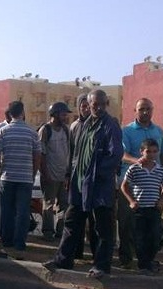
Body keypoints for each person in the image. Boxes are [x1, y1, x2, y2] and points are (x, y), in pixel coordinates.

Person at [43, 90, 124, 278]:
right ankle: (62, 260)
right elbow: (77, 154)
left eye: (102, 104)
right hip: (80, 185)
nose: (99, 108)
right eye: (95, 104)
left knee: (102, 228)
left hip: (99, 187)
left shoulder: (110, 125)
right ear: (88, 104)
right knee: (71, 223)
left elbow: (115, 155)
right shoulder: (85, 125)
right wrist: (72, 176)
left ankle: (102, 267)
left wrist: (96, 174)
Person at [118, 98, 163, 268]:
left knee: (153, 226)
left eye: (148, 109)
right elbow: (122, 154)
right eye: (142, 109)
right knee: (127, 223)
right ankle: (126, 258)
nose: (145, 112)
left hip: (153, 187)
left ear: (152, 110)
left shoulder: (158, 131)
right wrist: (137, 161)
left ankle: (147, 259)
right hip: (131, 185)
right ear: (135, 110)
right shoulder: (127, 131)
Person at [0, 101, 41, 257]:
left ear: (10, 114)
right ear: (22, 112)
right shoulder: (32, 132)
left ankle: (7, 241)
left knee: (7, 210)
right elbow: (38, 155)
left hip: (7, 176)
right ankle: (20, 243)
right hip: (25, 178)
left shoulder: (3, 131)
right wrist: (32, 173)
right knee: (22, 211)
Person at [120, 138, 163, 274]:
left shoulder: (160, 170)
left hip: (154, 209)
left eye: (154, 151)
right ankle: (144, 265)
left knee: (154, 236)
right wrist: (131, 201)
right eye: (148, 151)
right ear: (141, 151)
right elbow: (124, 186)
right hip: (139, 209)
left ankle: (149, 260)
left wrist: (161, 201)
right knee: (140, 238)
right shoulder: (134, 169)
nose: (151, 154)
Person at [38, 102, 72, 241]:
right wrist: (45, 174)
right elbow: (41, 154)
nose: (65, 117)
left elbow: (69, 152)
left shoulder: (65, 130)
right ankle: (47, 232)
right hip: (49, 174)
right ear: (55, 114)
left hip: (62, 174)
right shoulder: (45, 130)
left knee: (63, 205)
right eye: (63, 114)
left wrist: (67, 173)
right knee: (48, 204)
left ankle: (60, 232)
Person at [69, 94, 97, 259]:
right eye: (83, 106)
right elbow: (71, 153)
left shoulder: (99, 125)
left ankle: (96, 254)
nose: (86, 109)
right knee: (75, 219)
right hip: (76, 178)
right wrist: (68, 175)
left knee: (94, 222)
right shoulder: (74, 127)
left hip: (93, 180)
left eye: (89, 106)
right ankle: (76, 253)